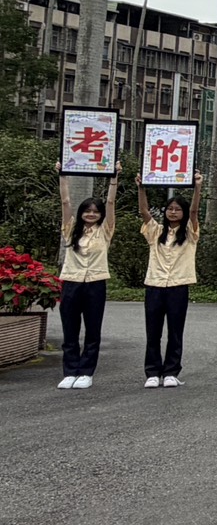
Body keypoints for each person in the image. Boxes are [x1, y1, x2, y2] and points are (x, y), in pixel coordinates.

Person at [137, 171, 203, 389]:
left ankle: (171, 372)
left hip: (178, 286)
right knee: (153, 332)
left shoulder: (190, 233)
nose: (173, 212)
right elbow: (144, 211)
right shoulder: (156, 232)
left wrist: (197, 188)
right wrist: (141, 187)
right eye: (170, 209)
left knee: (175, 331)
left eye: (177, 209)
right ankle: (152, 372)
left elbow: (194, 211)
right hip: (154, 285)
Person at [55, 165, 118, 390]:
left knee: (92, 329)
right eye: (87, 211)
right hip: (71, 282)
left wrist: (114, 178)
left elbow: (110, 203)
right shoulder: (71, 229)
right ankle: (70, 371)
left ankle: (86, 372)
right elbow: (65, 202)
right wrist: (63, 176)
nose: (91, 214)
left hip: (95, 283)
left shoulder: (105, 231)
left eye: (95, 211)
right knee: (69, 329)